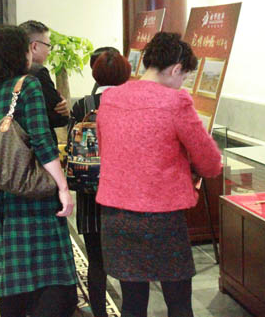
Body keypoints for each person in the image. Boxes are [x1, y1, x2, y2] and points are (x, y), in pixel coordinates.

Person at [95, 32, 223, 317]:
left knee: (132, 304)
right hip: (161, 218)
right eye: (184, 76)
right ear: (176, 69)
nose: (182, 83)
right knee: (178, 303)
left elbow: (107, 150)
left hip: (116, 215)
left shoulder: (111, 97)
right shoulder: (176, 101)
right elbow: (210, 163)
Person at [0, 26, 77, 317]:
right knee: (52, 277)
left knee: (14, 281)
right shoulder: (27, 85)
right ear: (20, 52)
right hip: (30, 195)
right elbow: (42, 141)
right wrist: (62, 187)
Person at [68, 48, 131, 317]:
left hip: (90, 190)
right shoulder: (131, 103)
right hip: (124, 194)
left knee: (96, 262)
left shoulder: (82, 105)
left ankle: (99, 314)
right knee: (127, 262)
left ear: (95, 75)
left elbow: (72, 145)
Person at [19, 20, 70, 145]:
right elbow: (60, 117)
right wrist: (65, 110)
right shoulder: (38, 72)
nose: (49, 52)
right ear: (34, 46)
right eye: (48, 46)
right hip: (37, 146)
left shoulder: (4, 73)